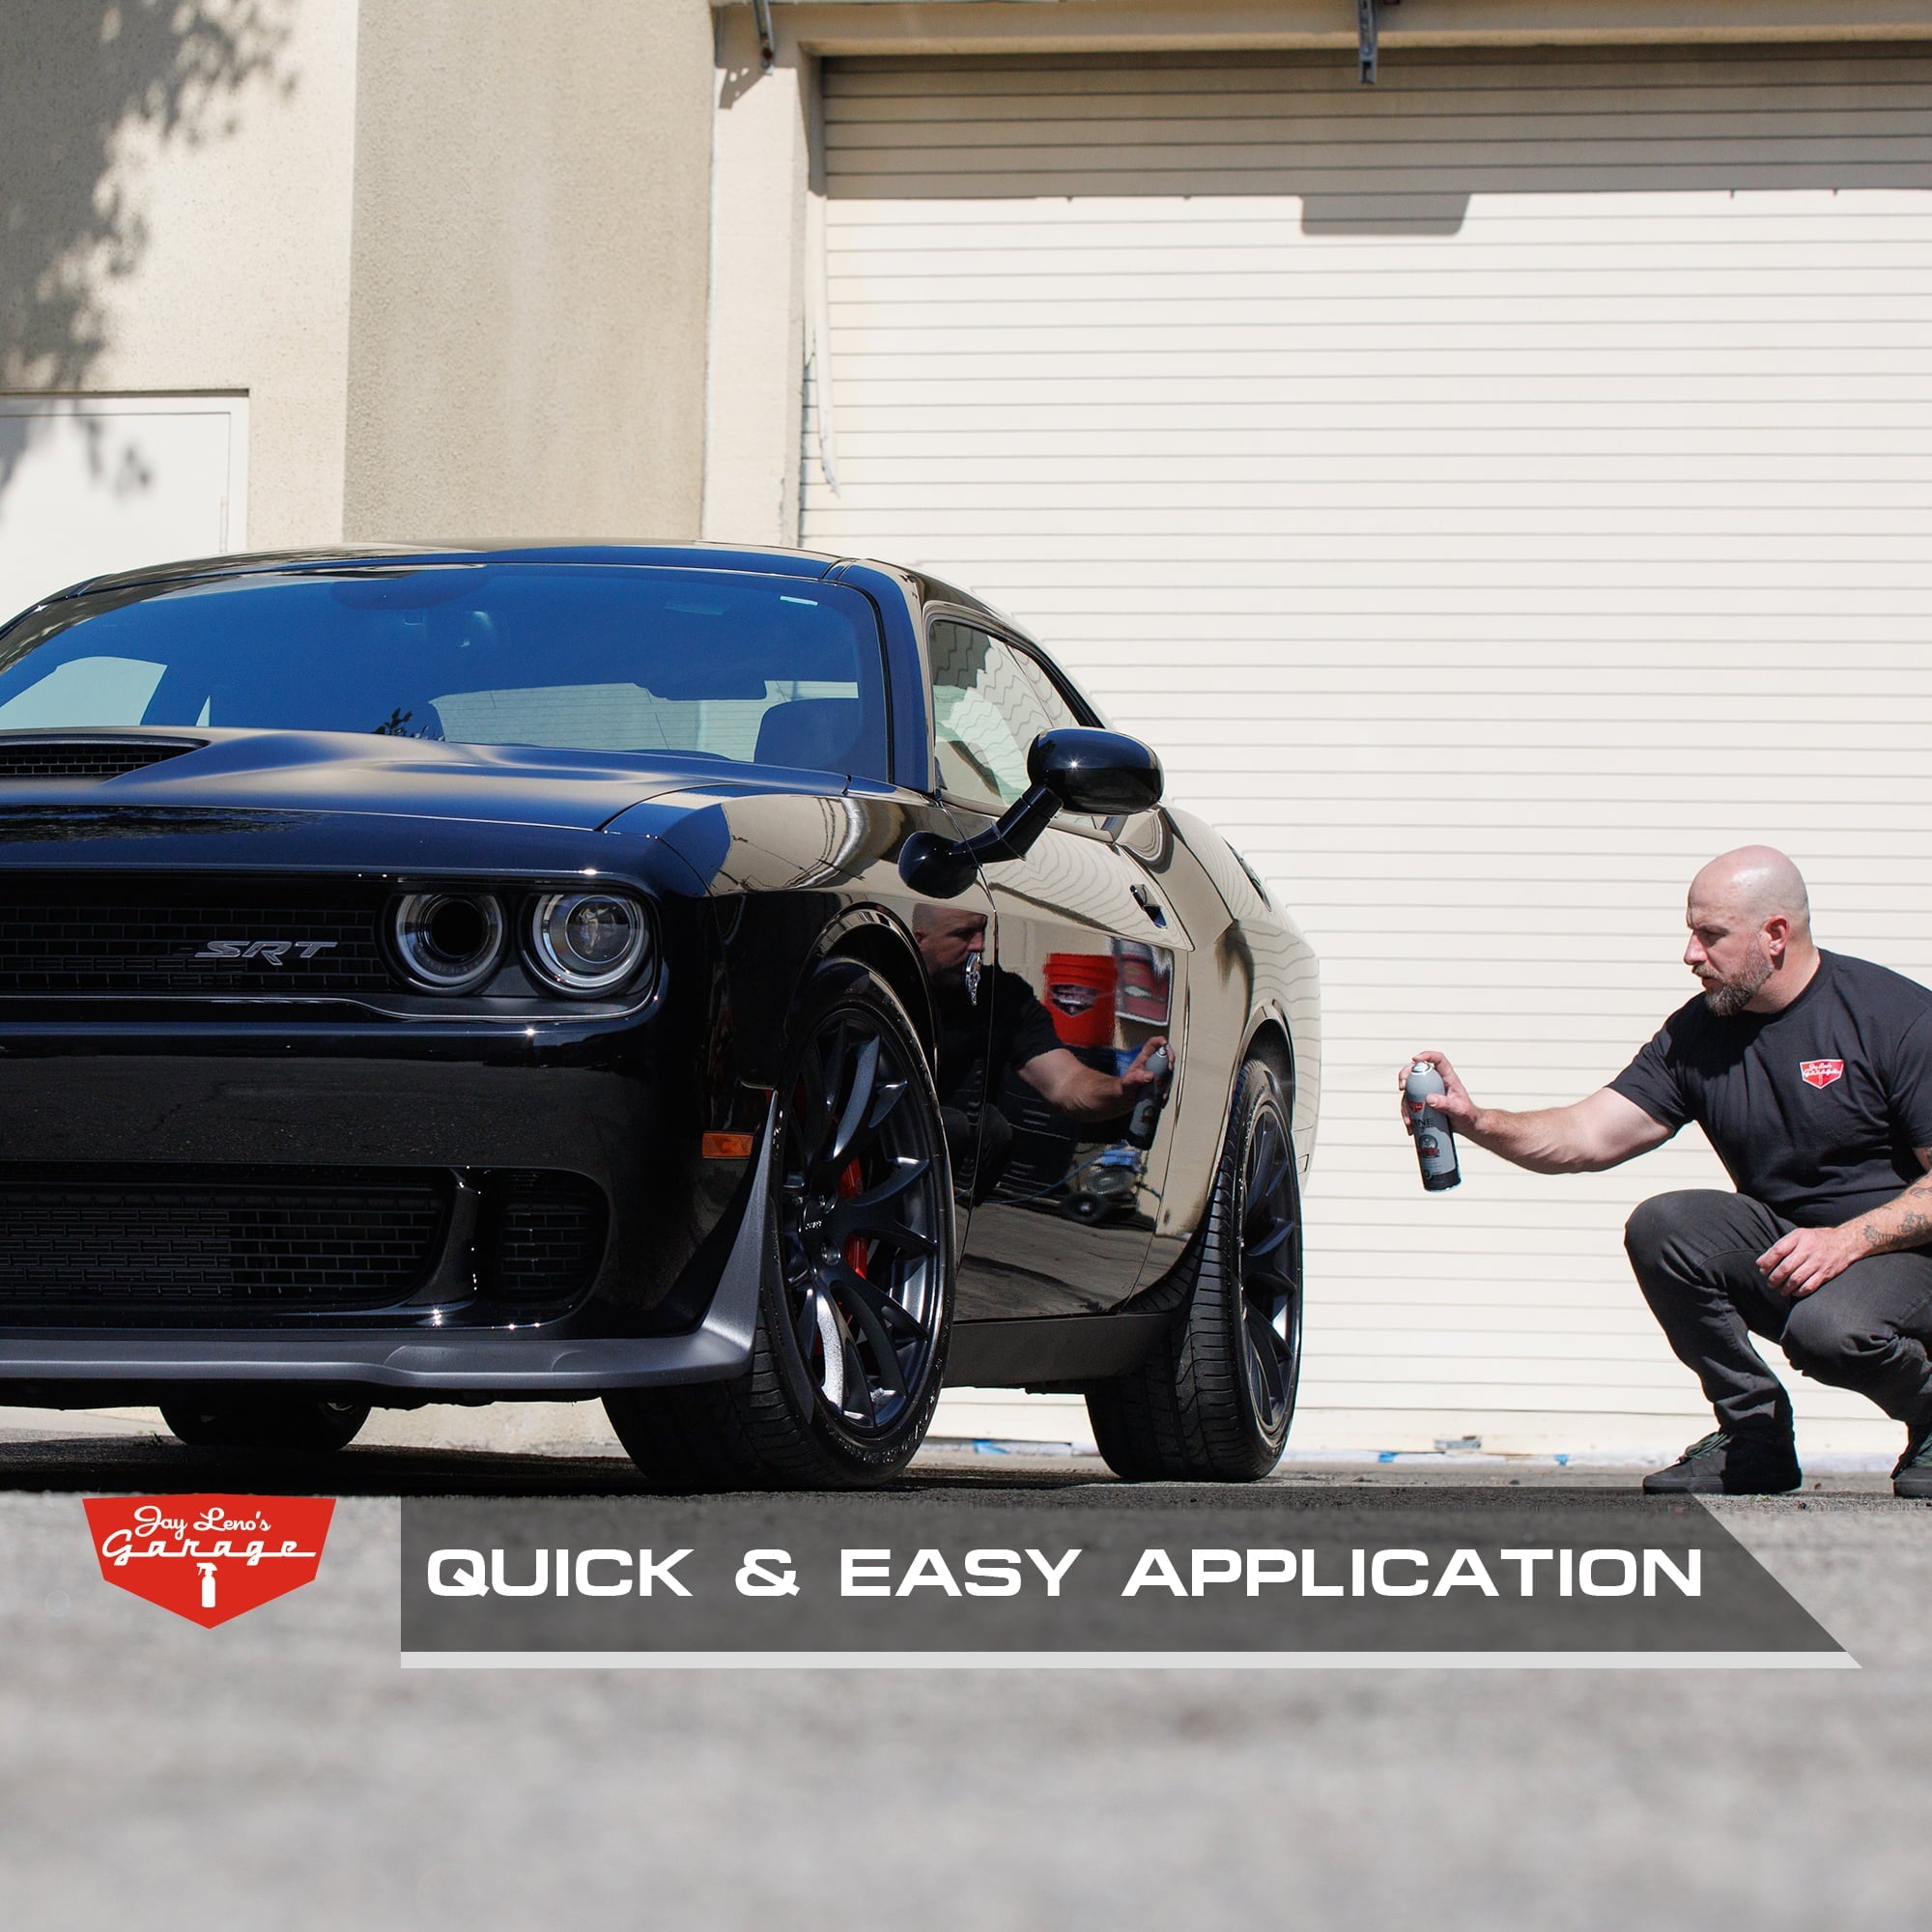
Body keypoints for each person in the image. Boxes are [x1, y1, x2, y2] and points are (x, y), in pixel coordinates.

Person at [1403, 846, 1932, 1497]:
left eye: (1711, 936)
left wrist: (1847, 1240)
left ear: (1775, 935)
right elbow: (1587, 1134)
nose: (1690, 954)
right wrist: (1477, 1121)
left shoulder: (1894, 1017)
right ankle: (1753, 1435)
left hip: (1908, 1258)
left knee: (1829, 1330)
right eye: (1691, 933)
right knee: (1666, 1225)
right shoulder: (1698, 1035)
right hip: (1798, 1255)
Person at [913, 905, 1168, 1196]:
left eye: (981, 931)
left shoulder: (1005, 997)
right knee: (954, 1126)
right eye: (963, 935)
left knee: (991, 1133)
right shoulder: (886, 981)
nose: (979, 945)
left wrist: (1124, 1088)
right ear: (921, 939)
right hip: (878, 1153)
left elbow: (1067, 1083)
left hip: (949, 1190)